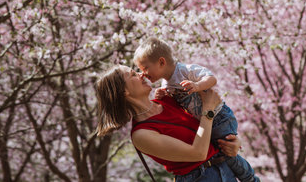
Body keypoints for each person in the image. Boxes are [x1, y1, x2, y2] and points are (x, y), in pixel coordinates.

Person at [133, 37, 260, 182]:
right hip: (206, 121)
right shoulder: (165, 84)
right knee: (225, 151)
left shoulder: (186, 70)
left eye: (145, 68)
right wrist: (162, 94)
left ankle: (249, 178)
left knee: (228, 151)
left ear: (162, 62)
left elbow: (211, 79)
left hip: (219, 116)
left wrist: (198, 86)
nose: (142, 73)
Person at [95, 65, 243, 181]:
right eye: (133, 75)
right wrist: (208, 110)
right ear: (123, 92)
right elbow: (198, 153)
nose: (141, 73)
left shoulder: (167, 100)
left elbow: (205, 130)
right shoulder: (142, 134)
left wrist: (232, 142)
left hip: (225, 168)